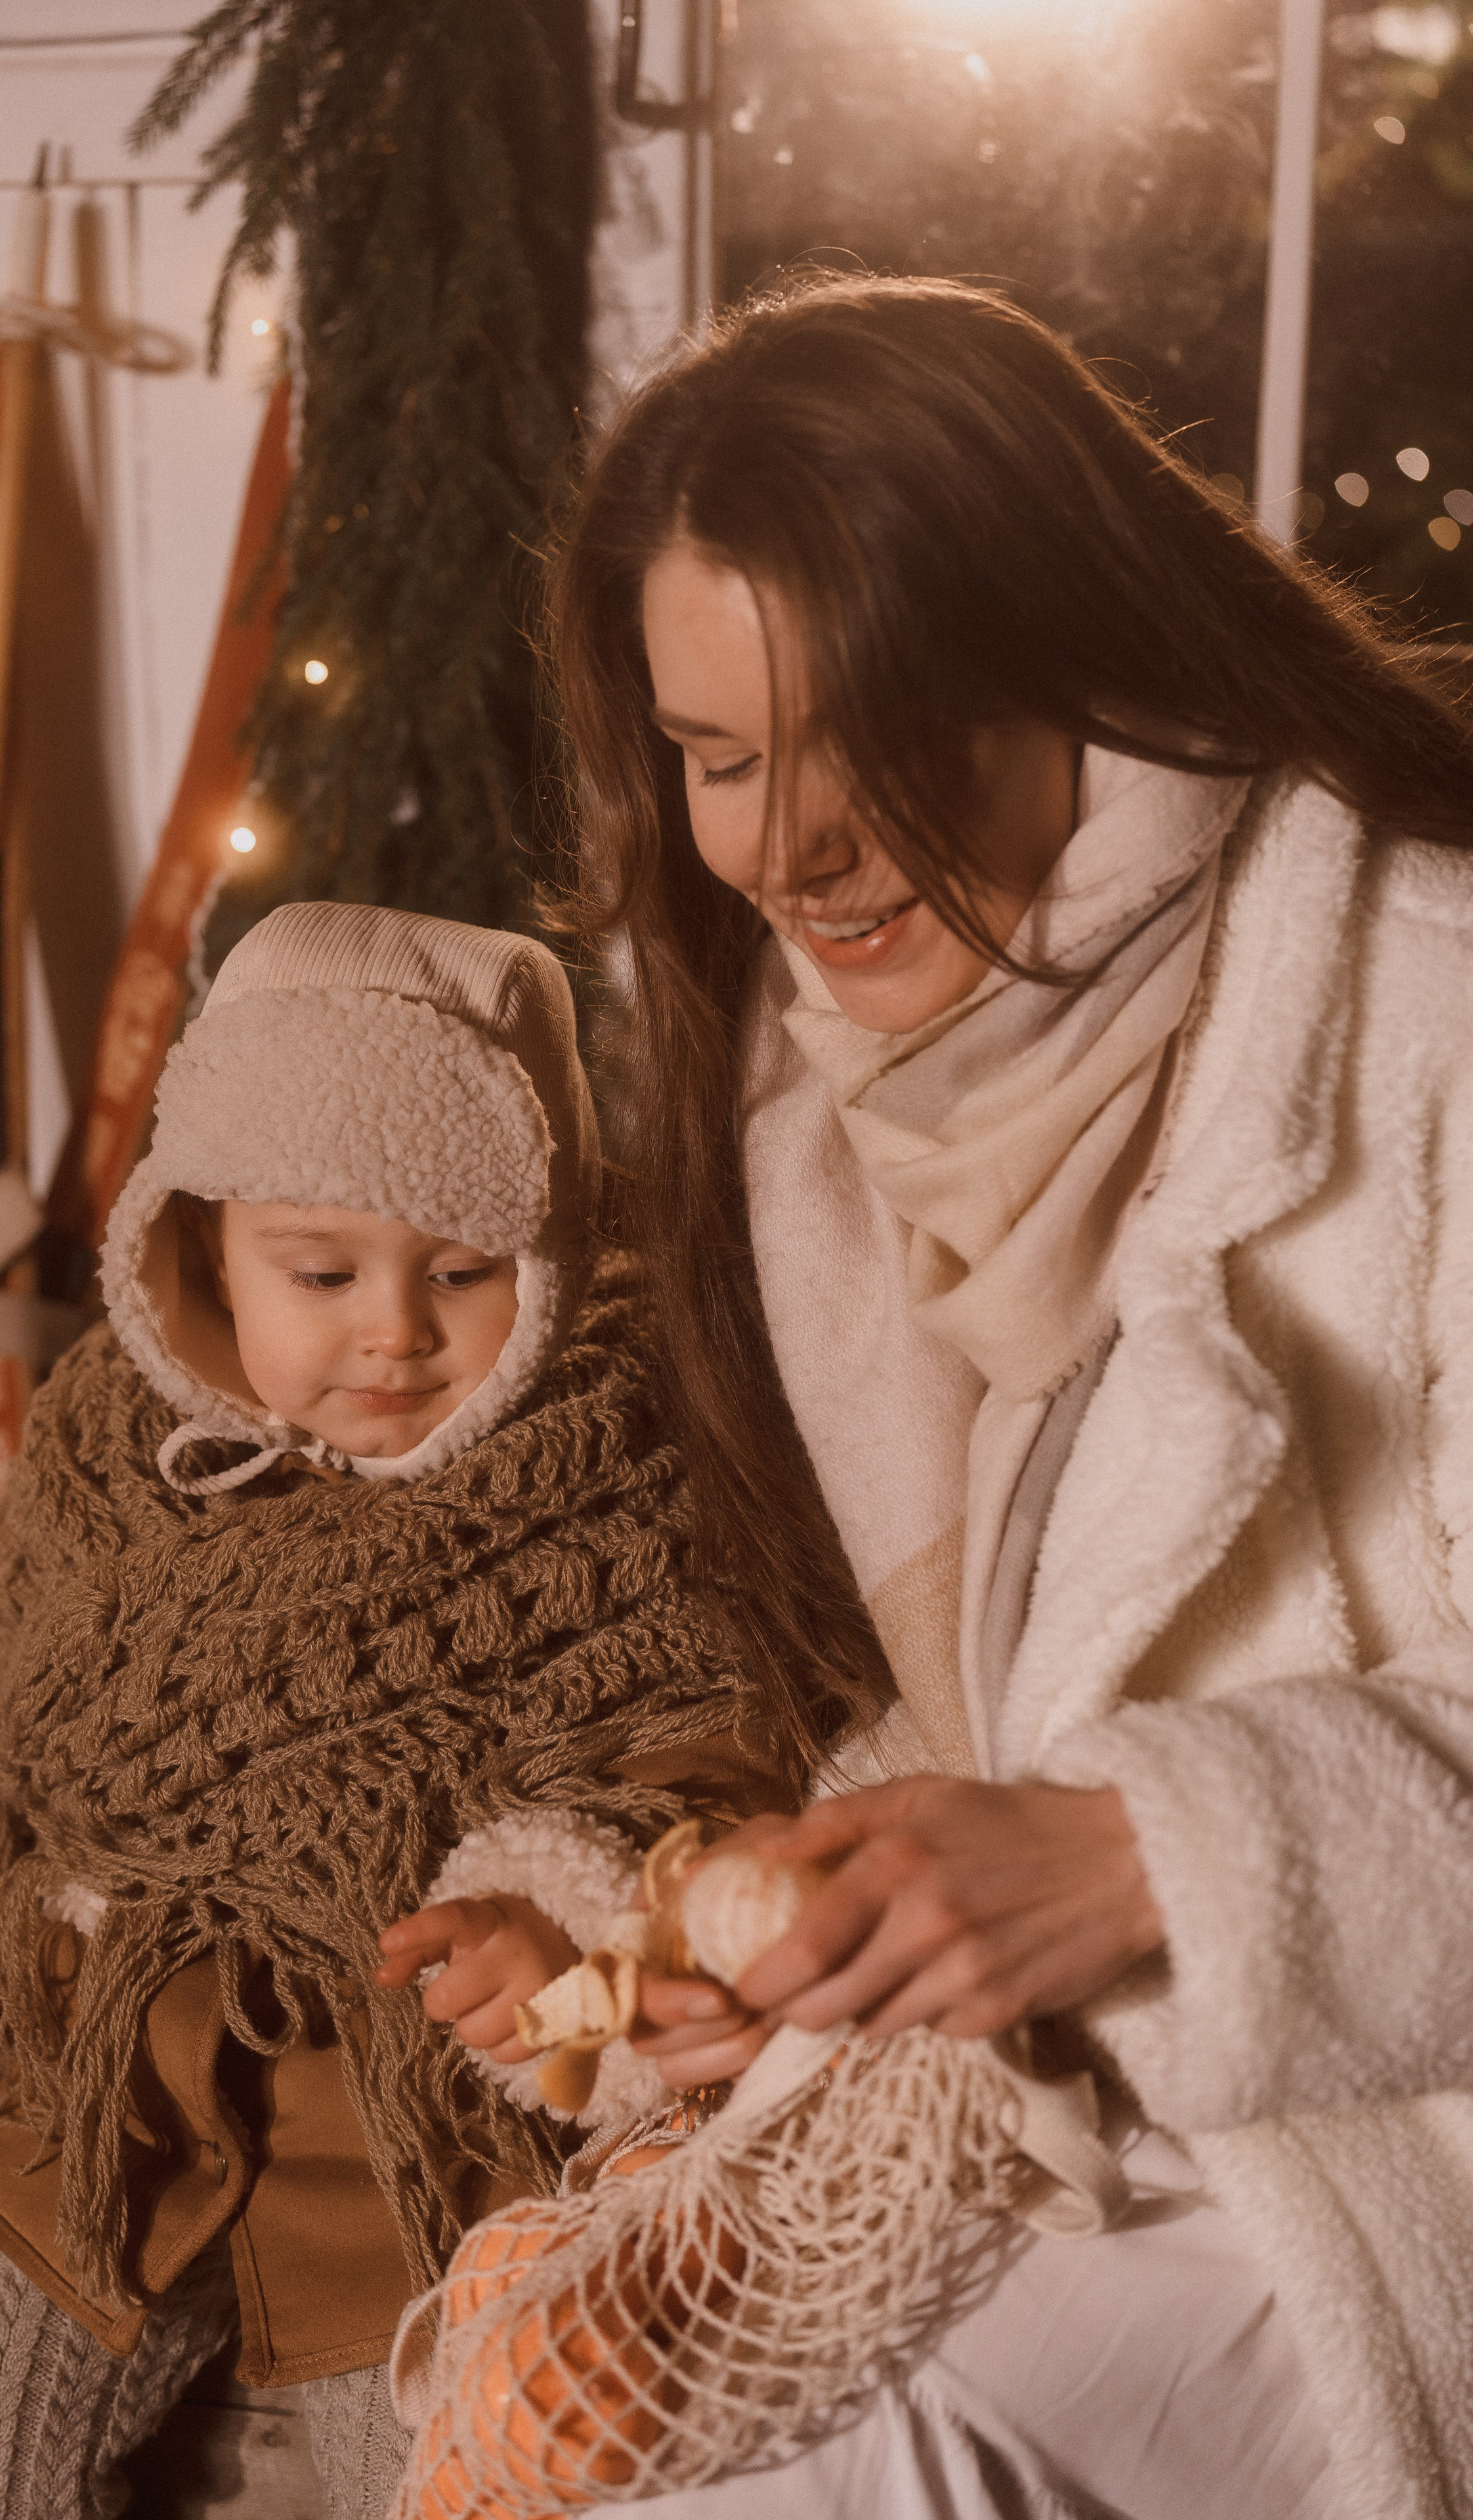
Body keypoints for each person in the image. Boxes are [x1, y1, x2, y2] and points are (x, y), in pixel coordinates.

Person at [534, 275, 1473, 2516]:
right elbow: (1032, 1681)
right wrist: (831, 1911)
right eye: (719, 752)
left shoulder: (1431, 1005)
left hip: (1397, 2125)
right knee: (553, 2401)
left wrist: (1152, 1856)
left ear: (1076, 646)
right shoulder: (829, 1099)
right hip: (1090, 2094)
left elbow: (1111, 1774)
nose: (785, 847)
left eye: (867, 724)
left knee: (818, 2471)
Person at [0, 902, 790, 2520]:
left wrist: (554, 1922)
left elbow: (700, 1738)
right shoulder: (105, 1461)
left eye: (463, 1273)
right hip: (101, 2115)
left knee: (439, 2476)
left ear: (544, 1263)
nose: (393, 1329)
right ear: (194, 1249)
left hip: (406, 2155)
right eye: (320, 1271)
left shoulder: (610, 1488)